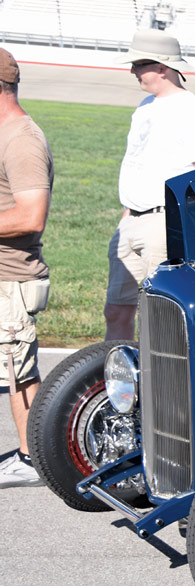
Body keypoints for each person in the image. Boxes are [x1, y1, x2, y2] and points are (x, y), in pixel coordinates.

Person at [104, 29, 195, 340]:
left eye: (139, 65)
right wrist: (126, 216)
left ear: (162, 67)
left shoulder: (192, 111)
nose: (133, 71)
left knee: (160, 317)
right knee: (117, 310)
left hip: (162, 223)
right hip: (132, 219)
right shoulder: (145, 106)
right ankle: (118, 383)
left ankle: (165, 386)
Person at [0, 48, 53, 488]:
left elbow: (30, 215)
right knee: (12, 369)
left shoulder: (21, 139)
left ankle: (36, 456)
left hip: (12, 276)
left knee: (20, 373)